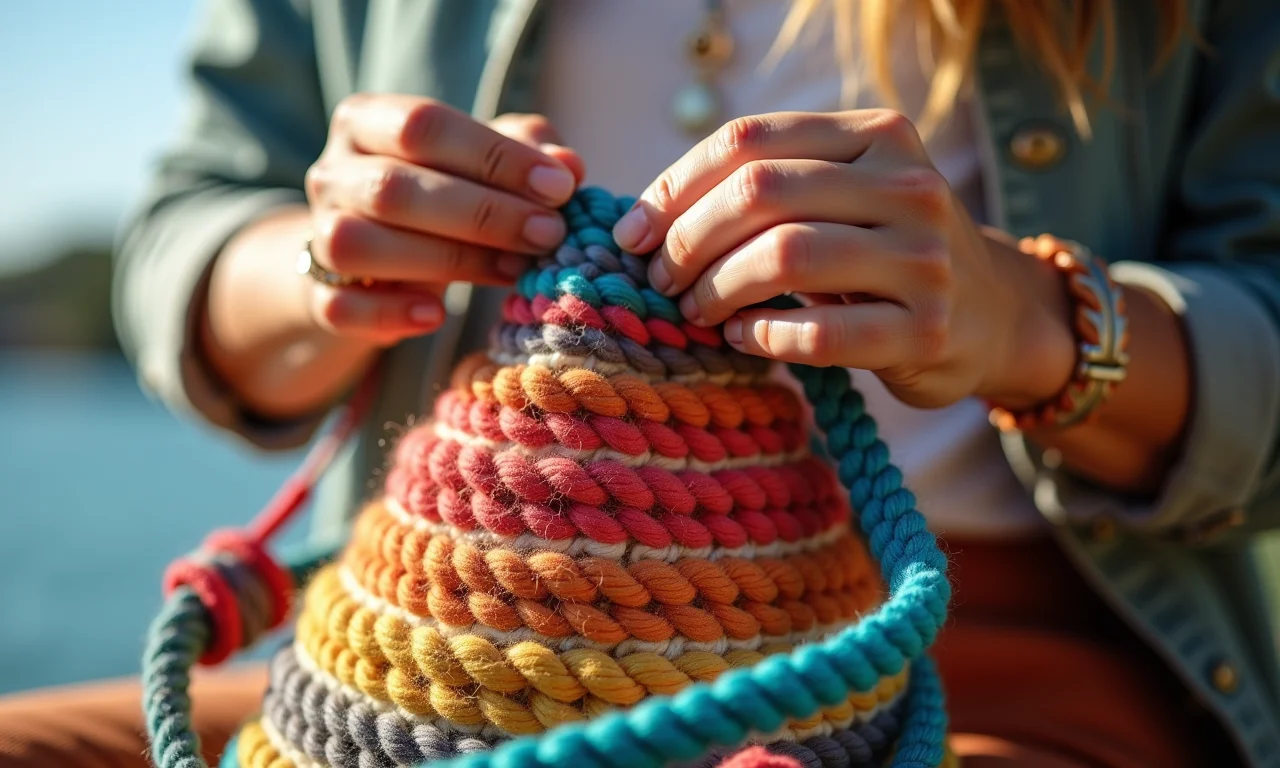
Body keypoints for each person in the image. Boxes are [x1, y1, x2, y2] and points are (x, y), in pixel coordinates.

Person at [2, 0, 1278, 766]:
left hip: (971, 657)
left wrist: (1029, 319)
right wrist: (322, 262)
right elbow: (189, 223)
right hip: (432, 652)